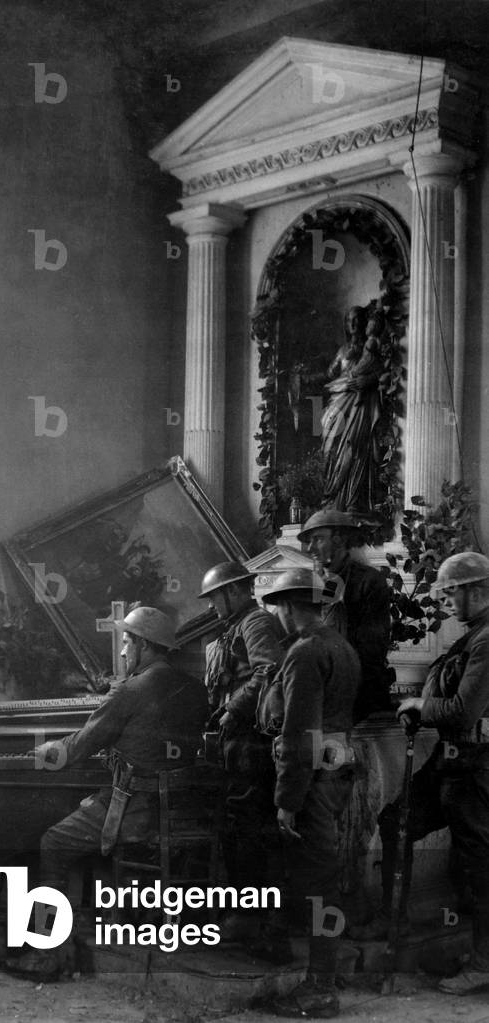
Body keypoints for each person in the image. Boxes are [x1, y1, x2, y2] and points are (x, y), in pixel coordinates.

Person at [10, 606, 208, 981]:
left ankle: (48, 952)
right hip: (182, 812)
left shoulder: (132, 690)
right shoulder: (194, 690)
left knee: (53, 842)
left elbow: (77, 748)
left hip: (136, 811)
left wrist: (45, 750)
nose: (121, 652)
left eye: (127, 642)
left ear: (145, 646)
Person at [352, 552, 489, 995]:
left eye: (452, 592)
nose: (446, 600)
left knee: (480, 866)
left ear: (478, 590)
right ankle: (396, 924)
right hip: (451, 764)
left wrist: (421, 707)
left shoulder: (487, 640)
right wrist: (424, 708)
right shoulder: (471, 637)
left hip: (475, 768)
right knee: (395, 822)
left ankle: (485, 963)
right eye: (444, 592)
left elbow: (464, 711)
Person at [257, 568, 360, 1019]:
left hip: (314, 780)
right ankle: (328, 970)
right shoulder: (341, 646)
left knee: (318, 883)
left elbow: (300, 734)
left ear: (289, 607)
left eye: (279, 607)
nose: (278, 615)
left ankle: (320, 987)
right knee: (327, 876)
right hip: (338, 776)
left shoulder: (304, 653)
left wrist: (286, 800)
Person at [197, 560, 285, 942]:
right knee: (236, 827)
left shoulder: (255, 623)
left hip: (251, 743)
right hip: (235, 745)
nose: (214, 605)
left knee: (248, 828)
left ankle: (254, 920)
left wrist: (234, 709)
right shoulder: (233, 627)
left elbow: (269, 671)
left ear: (235, 591)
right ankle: (244, 916)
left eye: (216, 597)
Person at [298, 508, 392, 721]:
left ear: (339, 540)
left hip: (359, 694)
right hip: (322, 689)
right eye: (309, 541)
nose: (310, 548)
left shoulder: (369, 581)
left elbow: (372, 649)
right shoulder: (315, 583)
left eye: (318, 539)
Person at [320, 305, 384, 513]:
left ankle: (352, 500)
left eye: (357, 319)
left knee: (355, 446)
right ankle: (331, 496)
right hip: (338, 401)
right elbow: (330, 374)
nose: (354, 324)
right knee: (331, 447)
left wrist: (366, 380)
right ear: (346, 325)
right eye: (349, 321)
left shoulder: (371, 346)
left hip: (360, 405)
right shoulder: (342, 351)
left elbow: (381, 372)